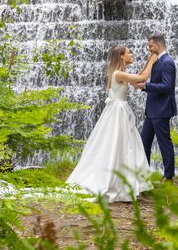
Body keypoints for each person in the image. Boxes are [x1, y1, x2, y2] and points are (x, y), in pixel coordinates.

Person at [66, 45, 158, 202]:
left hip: (119, 111)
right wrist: (153, 60)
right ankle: (119, 181)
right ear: (122, 56)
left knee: (126, 146)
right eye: (129, 52)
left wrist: (149, 61)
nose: (131, 54)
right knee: (119, 145)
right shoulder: (118, 73)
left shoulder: (120, 73)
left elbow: (138, 77)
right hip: (118, 113)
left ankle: (127, 180)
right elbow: (142, 78)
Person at [133, 34, 176, 183]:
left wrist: (146, 86)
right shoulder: (157, 61)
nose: (148, 49)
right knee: (144, 142)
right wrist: (144, 84)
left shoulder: (167, 62)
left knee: (164, 143)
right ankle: (144, 176)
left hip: (162, 110)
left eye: (150, 46)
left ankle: (169, 176)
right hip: (152, 110)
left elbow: (167, 86)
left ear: (158, 45)